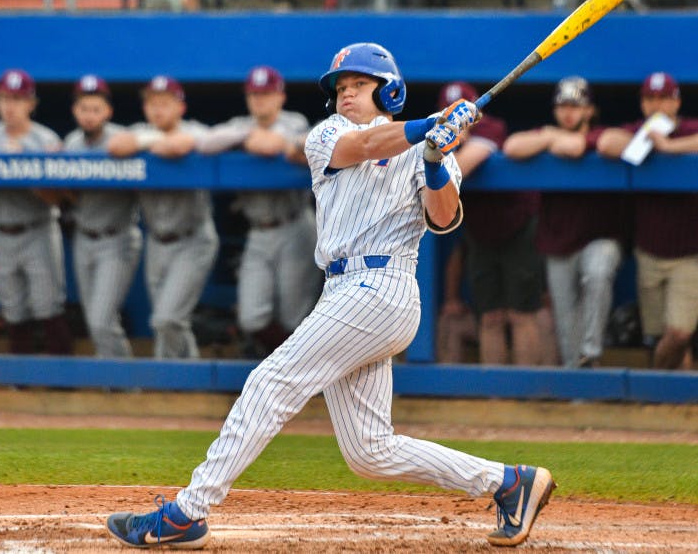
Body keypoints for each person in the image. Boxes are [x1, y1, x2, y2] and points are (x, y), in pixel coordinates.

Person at [106, 43, 555, 549]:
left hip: (383, 287)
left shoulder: (430, 146)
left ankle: (188, 512)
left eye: (359, 85)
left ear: (388, 91)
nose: (346, 94)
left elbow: (444, 217)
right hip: (344, 290)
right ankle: (508, 483)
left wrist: (433, 158)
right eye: (341, 87)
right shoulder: (328, 135)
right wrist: (429, 126)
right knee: (370, 451)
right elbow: (367, 146)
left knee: (270, 382)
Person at [503, 76, 626, 369]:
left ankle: (591, 350)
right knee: (566, 324)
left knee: (598, 273)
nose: (568, 112)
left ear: (589, 110)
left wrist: (566, 142)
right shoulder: (547, 135)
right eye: (563, 106)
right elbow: (511, 147)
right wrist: (548, 138)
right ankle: (580, 379)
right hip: (558, 241)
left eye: (576, 105)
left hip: (600, 235)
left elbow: (591, 145)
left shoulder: (601, 133)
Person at [198, 65, 319, 358]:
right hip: (258, 231)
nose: (259, 100)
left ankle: (295, 371)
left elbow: (273, 144)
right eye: (254, 94)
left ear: (280, 96)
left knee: (293, 315)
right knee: (251, 316)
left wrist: (255, 140)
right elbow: (205, 143)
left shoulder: (294, 121)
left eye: (266, 94)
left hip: (295, 225)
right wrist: (246, 135)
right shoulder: (241, 124)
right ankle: (281, 363)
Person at [107, 76, 219, 359]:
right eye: (152, 103)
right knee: (170, 323)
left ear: (180, 106)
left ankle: (171, 377)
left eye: (165, 103)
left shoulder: (194, 129)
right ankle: (190, 377)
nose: (158, 110)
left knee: (166, 319)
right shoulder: (141, 131)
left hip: (193, 239)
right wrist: (151, 140)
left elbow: (179, 146)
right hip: (157, 242)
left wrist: (148, 144)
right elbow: (116, 146)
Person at [437, 82, 547, 366]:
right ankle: (495, 390)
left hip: (517, 227)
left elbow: (458, 169)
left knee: (521, 315)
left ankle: (526, 389)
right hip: (480, 233)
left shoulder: (491, 128)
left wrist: (448, 145)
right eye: (450, 113)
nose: (457, 120)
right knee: (490, 317)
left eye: (462, 112)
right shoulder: (437, 135)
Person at [597, 72, 698, 369]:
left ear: (676, 102)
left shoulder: (688, 129)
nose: (657, 105)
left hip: (689, 253)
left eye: (664, 98)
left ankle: (656, 383)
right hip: (649, 250)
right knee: (660, 336)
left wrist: (669, 147)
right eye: (650, 99)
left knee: (679, 333)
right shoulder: (639, 131)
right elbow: (606, 143)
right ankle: (673, 392)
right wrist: (648, 141)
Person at [0, 69, 73, 355]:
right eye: (4, 98)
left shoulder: (45, 139)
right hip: (0, 231)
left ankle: (61, 375)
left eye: (17, 99)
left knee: (48, 305)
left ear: (31, 103)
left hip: (37, 228)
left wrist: (24, 168)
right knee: (13, 309)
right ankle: (21, 375)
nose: (9, 106)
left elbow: (58, 198)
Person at [64, 74, 142, 358]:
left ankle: (124, 379)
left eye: (96, 109)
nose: (89, 115)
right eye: (84, 108)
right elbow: (69, 194)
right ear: (75, 110)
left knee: (101, 320)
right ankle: (116, 377)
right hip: (84, 237)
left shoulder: (122, 139)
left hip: (117, 237)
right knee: (96, 321)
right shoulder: (71, 143)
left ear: (108, 111)